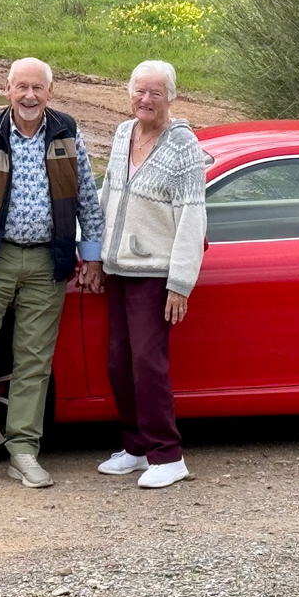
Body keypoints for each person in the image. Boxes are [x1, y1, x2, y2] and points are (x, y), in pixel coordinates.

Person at [0, 57, 105, 490]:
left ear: (50, 92)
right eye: (21, 88)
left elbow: (88, 197)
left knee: (34, 359)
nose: (29, 96)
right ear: (7, 90)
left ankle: (23, 451)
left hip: (48, 260)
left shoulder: (66, 132)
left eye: (38, 88)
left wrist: (92, 256)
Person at [96, 60, 207, 489]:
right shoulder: (125, 133)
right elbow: (109, 194)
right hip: (118, 267)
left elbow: (192, 220)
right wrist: (94, 256)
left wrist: (180, 283)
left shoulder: (184, 148)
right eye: (139, 91)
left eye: (155, 93)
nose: (145, 100)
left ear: (170, 97)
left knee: (148, 363)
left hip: (155, 273)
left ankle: (167, 454)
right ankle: (136, 447)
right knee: (119, 362)